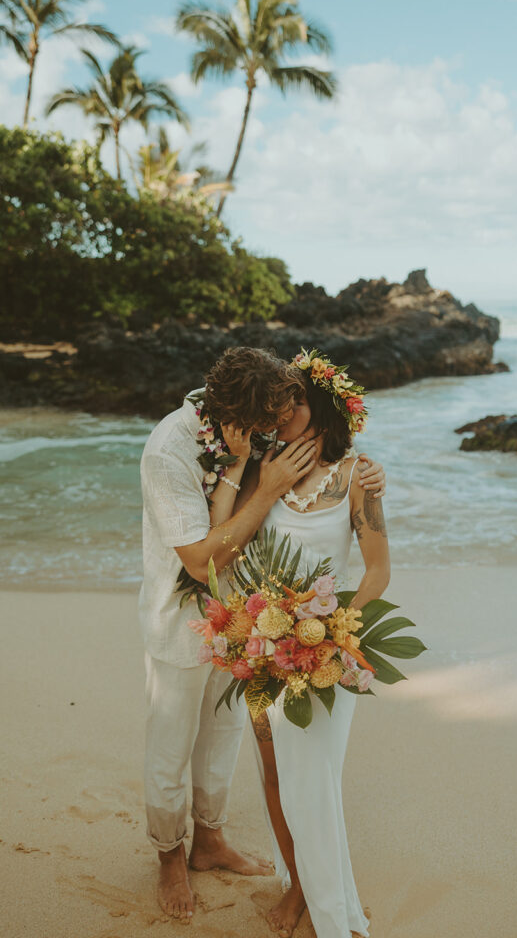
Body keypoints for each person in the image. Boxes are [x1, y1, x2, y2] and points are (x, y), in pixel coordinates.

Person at [139, 346, 385, 921]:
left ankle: (210, 840)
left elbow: (331, 463)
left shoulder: (268, 431)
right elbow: (203, 562)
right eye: (268, 423)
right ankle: (169, 854)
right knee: (172, 740)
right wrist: (265, 486)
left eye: (286, 412)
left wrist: (367, 471)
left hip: (250, 629)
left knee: (223, 741)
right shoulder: (169, 453)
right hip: (182, 617)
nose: (276, 430)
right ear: (236, 419)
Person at [211, 351, 390, 938]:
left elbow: (377, 573)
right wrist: (244, 468)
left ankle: (328, 910)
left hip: (323, 654)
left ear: (323, 409)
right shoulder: (265, 465)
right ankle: (299, 889)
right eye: (280, 401)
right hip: (265, 651)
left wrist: (339, 634)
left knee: (314, 782)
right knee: (278, 775)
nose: (282, 411)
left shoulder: (357, 477)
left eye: (295, 401)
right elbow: (225, 546)